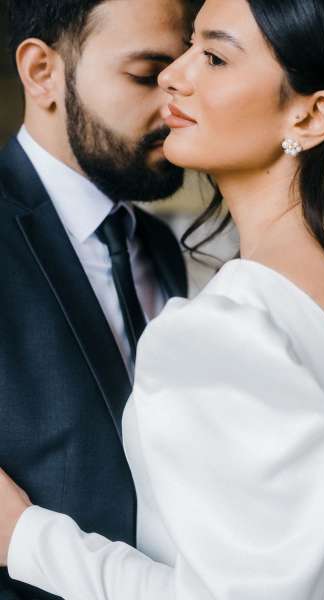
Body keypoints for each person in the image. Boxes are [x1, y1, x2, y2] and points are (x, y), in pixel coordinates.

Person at [0, 0, 324, 597]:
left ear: (312, 115)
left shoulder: (227, 313)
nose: (172, 78)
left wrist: (24, 538)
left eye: (212, 56)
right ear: (39, 72)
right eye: (148, 69)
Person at [0, 0, 198, 598]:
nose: (175, 108)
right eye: (146, 75)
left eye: (183, 76)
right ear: (42, 73)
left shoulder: (158, 246)